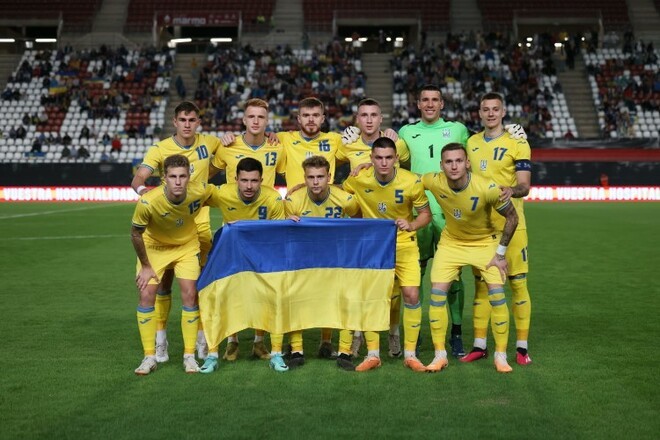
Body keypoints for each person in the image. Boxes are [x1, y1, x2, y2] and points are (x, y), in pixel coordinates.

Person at [131, 101, 223, 364]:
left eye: (192, 120)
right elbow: (138, 178)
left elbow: (229, 155)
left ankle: (201, 338)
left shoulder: (211, 142)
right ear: (175, 122)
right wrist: (144, 193)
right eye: (182, 120)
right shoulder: (160, 148)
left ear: (198, 122)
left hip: (197, 221)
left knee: (198, 285)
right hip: (167, 221)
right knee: (162, 284)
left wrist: (233, 138)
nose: (187, 125)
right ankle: (160, 339)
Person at [421, 143, 518, 373]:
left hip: (484, 243)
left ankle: (501, 356)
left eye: (458, 161)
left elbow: (512, 217)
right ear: (441, 165)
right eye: (448, 162)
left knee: (497, 296)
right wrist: (365, 165)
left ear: (467, 163)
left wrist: (500, 253)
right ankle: (440, 355)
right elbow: (405, 179)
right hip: (451, 243)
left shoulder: (487, 187)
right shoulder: (433, 180)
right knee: (437, 295)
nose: (454, 166)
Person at [342, 137, 431, 372]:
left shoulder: (411, 181)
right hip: (373, 246)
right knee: (373, 297)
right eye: (379, 158)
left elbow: (426, 214)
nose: (384, 163)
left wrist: (412, 224)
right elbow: (342, 196)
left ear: (396, 159)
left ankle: (410, 355)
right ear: (371, 158)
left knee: (411, 295)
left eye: (388, 158)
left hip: (404, 244)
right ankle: (373, 354)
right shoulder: (359, 179)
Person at [397, 84, 470, 357]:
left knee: (453, 277)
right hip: (418, 213)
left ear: (442, 104)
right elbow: (389, 159)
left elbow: (477, 154)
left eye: (434, 100)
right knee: (414, 276)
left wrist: (510, 132)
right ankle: (414, 334)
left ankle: (456, 333)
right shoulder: (406, 132)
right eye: (425, 100)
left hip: (451, 214)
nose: (429, 104)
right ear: (418, 104)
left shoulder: (458, 130)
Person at [463, 92, 533, 366]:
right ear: (479, 113)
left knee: (517, 284)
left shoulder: (518, 142)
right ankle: (479, 345)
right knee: (482, 287)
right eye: (486, 109)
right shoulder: (471, 143)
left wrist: (511, 190)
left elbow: (525, 185)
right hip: (481, 227)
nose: (490, 113)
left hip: (512, 226)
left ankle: (522, 348)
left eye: (495, 109)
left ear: (503, 112)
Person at [199, 157, 286, 374]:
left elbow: (279, 233)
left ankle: (260, 343)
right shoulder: (222, 193)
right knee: (229, 295)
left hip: (261, 253)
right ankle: (232, 341)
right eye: (244, 180)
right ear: (236, 179)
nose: (249, 186)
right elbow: (193, 196)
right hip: (232, 252)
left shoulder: (273, 198)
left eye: (254, 181)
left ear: (261, 180)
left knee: (265, 296)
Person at [338, 97, 409, 358]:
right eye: (364, 115)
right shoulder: (346, 143)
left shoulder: (397, 143)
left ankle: (393, 333)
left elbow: (408, 171)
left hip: (391, 229)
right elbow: (322, 164)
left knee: (394, 290)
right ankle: (357, 335)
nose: (369, 120)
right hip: (360, 227)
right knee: (360, 286)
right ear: (357, 120)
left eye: (373, 115)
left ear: (381, 118)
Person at [277, 96, 344, 358]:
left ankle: (326, 341)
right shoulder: (283, 139)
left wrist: (386, 135)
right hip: (296, 220)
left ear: (323, 118)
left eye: (316, 115)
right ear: (298, 119)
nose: (311, 119)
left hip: (327, 221)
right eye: (306, 115)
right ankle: (295, 343)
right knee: (294, 286)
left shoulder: (336, 140)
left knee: (329, 287)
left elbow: (365, 151)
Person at [284, 155, 361, 371]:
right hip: (304, 259)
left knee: (343, 301)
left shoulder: (345, 199)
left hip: (336, 259)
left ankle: (344, 351)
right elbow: (285, 232)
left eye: (320, 177)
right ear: (304, 178)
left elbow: (359, 221)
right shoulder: (293, 201)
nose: (315, 182)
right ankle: (296, 350)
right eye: (311, 177)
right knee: (296, 300)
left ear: (329, 177)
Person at [209, 98, 284, 187]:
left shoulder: (277, 147)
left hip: (266, 197)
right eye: (251, 117)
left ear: (266, 121)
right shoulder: (228, 146)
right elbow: (206, 174)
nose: (256, 121)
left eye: (261, 117)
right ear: (244, 120)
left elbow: (290, 176)